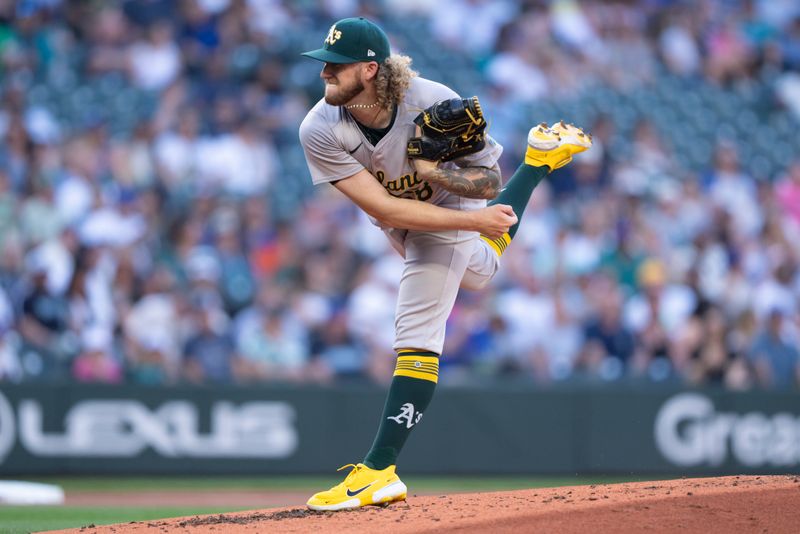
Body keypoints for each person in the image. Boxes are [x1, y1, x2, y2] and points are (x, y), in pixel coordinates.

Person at [298, 17, 591, 511]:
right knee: (479, 272)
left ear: (369, 70)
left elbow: (485, 186)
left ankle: (379, 469)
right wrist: (481, 225)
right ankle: (539, 160)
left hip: (446, 207)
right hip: (400, 217)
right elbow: (384, 209)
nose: (325, 72)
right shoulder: (319, 127)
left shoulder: (429, 100)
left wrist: (442, 178)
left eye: (336, 65)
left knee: (417, 328)